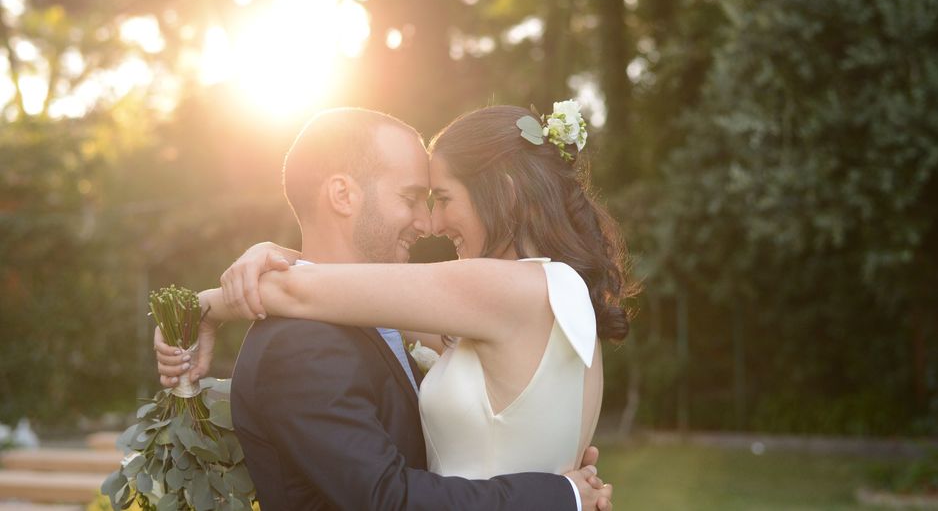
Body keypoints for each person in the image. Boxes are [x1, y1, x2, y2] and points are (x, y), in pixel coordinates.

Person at [155, 107, 614, 510]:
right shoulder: (541, 295)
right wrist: (560, 494)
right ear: (342, 194)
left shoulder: (505, 289)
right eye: (412, 197)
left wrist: (205, 307)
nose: (429, 222)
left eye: (441, 199)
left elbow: (304, 292)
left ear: (507, 193)